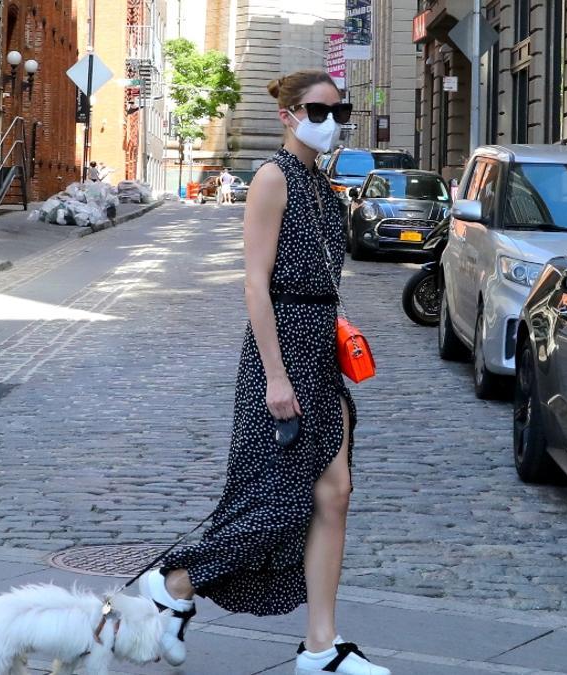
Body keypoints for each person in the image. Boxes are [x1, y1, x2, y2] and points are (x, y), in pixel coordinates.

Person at [139, 69, 388, 675]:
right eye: (318, 110)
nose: (331, 121)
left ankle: (321, 649)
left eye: (339, 110)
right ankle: (174, 581)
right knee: (274, 501)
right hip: (281, 355)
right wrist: (276, 377)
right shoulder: (274, 178)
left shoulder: (321, 185)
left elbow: (320, 276)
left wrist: (339, 326)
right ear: (288, 115)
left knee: (335, 494)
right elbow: (255, 284)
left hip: (320, 349)